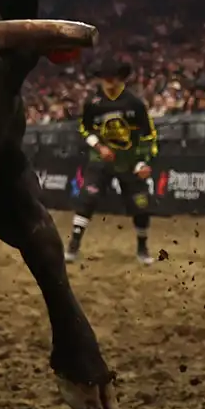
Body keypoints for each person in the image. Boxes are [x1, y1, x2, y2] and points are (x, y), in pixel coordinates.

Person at [66, 59, 156, 266]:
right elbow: (83, 129)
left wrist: (142, 162)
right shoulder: (93, 103)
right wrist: (99, 146)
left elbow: (148, 135)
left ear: (120, 78)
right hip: (101, 159)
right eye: (104, 77)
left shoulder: (134, 103)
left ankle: (142, 247)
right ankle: (74, 244)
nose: (108, 81)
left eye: (112, 76)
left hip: (129, 160)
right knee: (87, 198)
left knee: (141, 205)